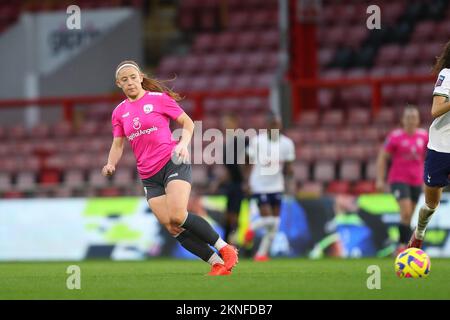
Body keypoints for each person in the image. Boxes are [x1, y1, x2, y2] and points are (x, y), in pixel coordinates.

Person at [102, 60, 238, 275]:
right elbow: (118, 143)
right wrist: (111, 163)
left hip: (172, 161)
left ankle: (226, 249)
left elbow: (188, 123)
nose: (130, 82)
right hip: (148, 175)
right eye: (124, 80)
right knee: (172, 227)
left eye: (133, 77)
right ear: (119, 84)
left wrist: (183, 144)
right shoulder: (119, 112)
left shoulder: (158, 99)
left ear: (141, 77)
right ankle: (217, 264)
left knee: (178, 215)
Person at [409, 40, 450, 249]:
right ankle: (419, 232)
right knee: (431, 204)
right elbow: (435, 110)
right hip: (442, 146)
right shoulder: (447, 75)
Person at [244, 112, 295, 261]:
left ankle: (261, 254)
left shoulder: (287, 143)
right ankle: (251, 229)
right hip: (259, 185)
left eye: (278, 125)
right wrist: (246, 181)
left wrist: (290, 178)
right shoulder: (257, 141)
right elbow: (247, 161)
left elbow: (288, 168)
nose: (275, 127)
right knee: (269, 219)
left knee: (274, 224)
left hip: (277, 186)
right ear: (267, 126)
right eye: (273, 124)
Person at [376, 106, 428, 252]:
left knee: (409, 216)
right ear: (402, 120)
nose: (411, 120)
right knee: (405, 212)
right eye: (408, 117)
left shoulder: (424, 136)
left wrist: (427, 179)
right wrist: (380, 179)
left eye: (414, 117)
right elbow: (382, 157)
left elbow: (429, 158)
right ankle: (405, 248)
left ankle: (400, 245)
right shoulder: (395, 137)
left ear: (418, 120)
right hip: (398, 179)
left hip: (416, 181)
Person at [211, 113, 249, 245]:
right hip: (231, 184)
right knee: (228, 215)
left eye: (227, 123)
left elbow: (247, 163)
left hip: (240, 184)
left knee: (235, 215)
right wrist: (219, 182)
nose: (225, 126)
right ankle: (227, 244)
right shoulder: (228, 143)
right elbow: (230, 168)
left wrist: (246, 181)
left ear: (235, 123)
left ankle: (238, 244)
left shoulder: (242, 141)